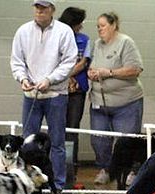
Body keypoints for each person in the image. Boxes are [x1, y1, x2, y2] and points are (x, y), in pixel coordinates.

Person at [10, 0, 77, 194]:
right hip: (31, 95)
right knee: (27, 142)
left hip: (56, 95)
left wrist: (50, 79)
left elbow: (69, 61)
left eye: (44, 8)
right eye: (37, 7)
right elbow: (17, 61)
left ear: (52, 10)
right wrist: (22, 78)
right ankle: (27, 184)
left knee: (57, 142)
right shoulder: (23, 31)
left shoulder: (64, 31)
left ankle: (58, 185)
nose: (39, 11)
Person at [87, 12, 144, 185]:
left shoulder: (125, 42)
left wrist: (109, 73)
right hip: (99, 102)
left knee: (127, 141)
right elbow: (92, 66)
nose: (99, 29)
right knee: (98, 140)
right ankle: (106, 169)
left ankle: (131, 172)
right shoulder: (97, 44)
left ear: (113, 25)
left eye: (103, 25)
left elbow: (135, 68)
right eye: (97, 26)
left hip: (126, 103)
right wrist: (92, 73)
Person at [59, 6, 91, 176]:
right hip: (57, 88)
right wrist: (63, 77)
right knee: (57, 126)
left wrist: (67, 75)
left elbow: (83, 62)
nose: (81, 26)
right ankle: (56, 165)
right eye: (79, 23)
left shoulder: (85, 39)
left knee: (72, 128)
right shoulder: (56, 36)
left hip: (77, 91)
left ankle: (72, 168)